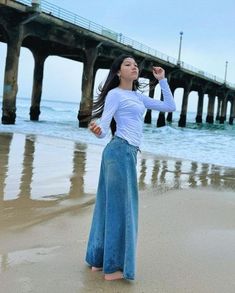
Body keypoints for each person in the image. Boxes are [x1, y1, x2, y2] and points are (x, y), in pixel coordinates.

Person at [85, 54, 176, 281]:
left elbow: (170, 106)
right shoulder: (115, 94)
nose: (134, 67)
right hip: (119, 152)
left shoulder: (137, 96)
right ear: (118, 71)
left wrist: (162, 80)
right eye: (128, 64)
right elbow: (105, 127)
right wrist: (97, 130)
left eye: (135, 65)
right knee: (120, 210)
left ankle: (98, 261)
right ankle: (113, 268)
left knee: (109, 207)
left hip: (124, 154)